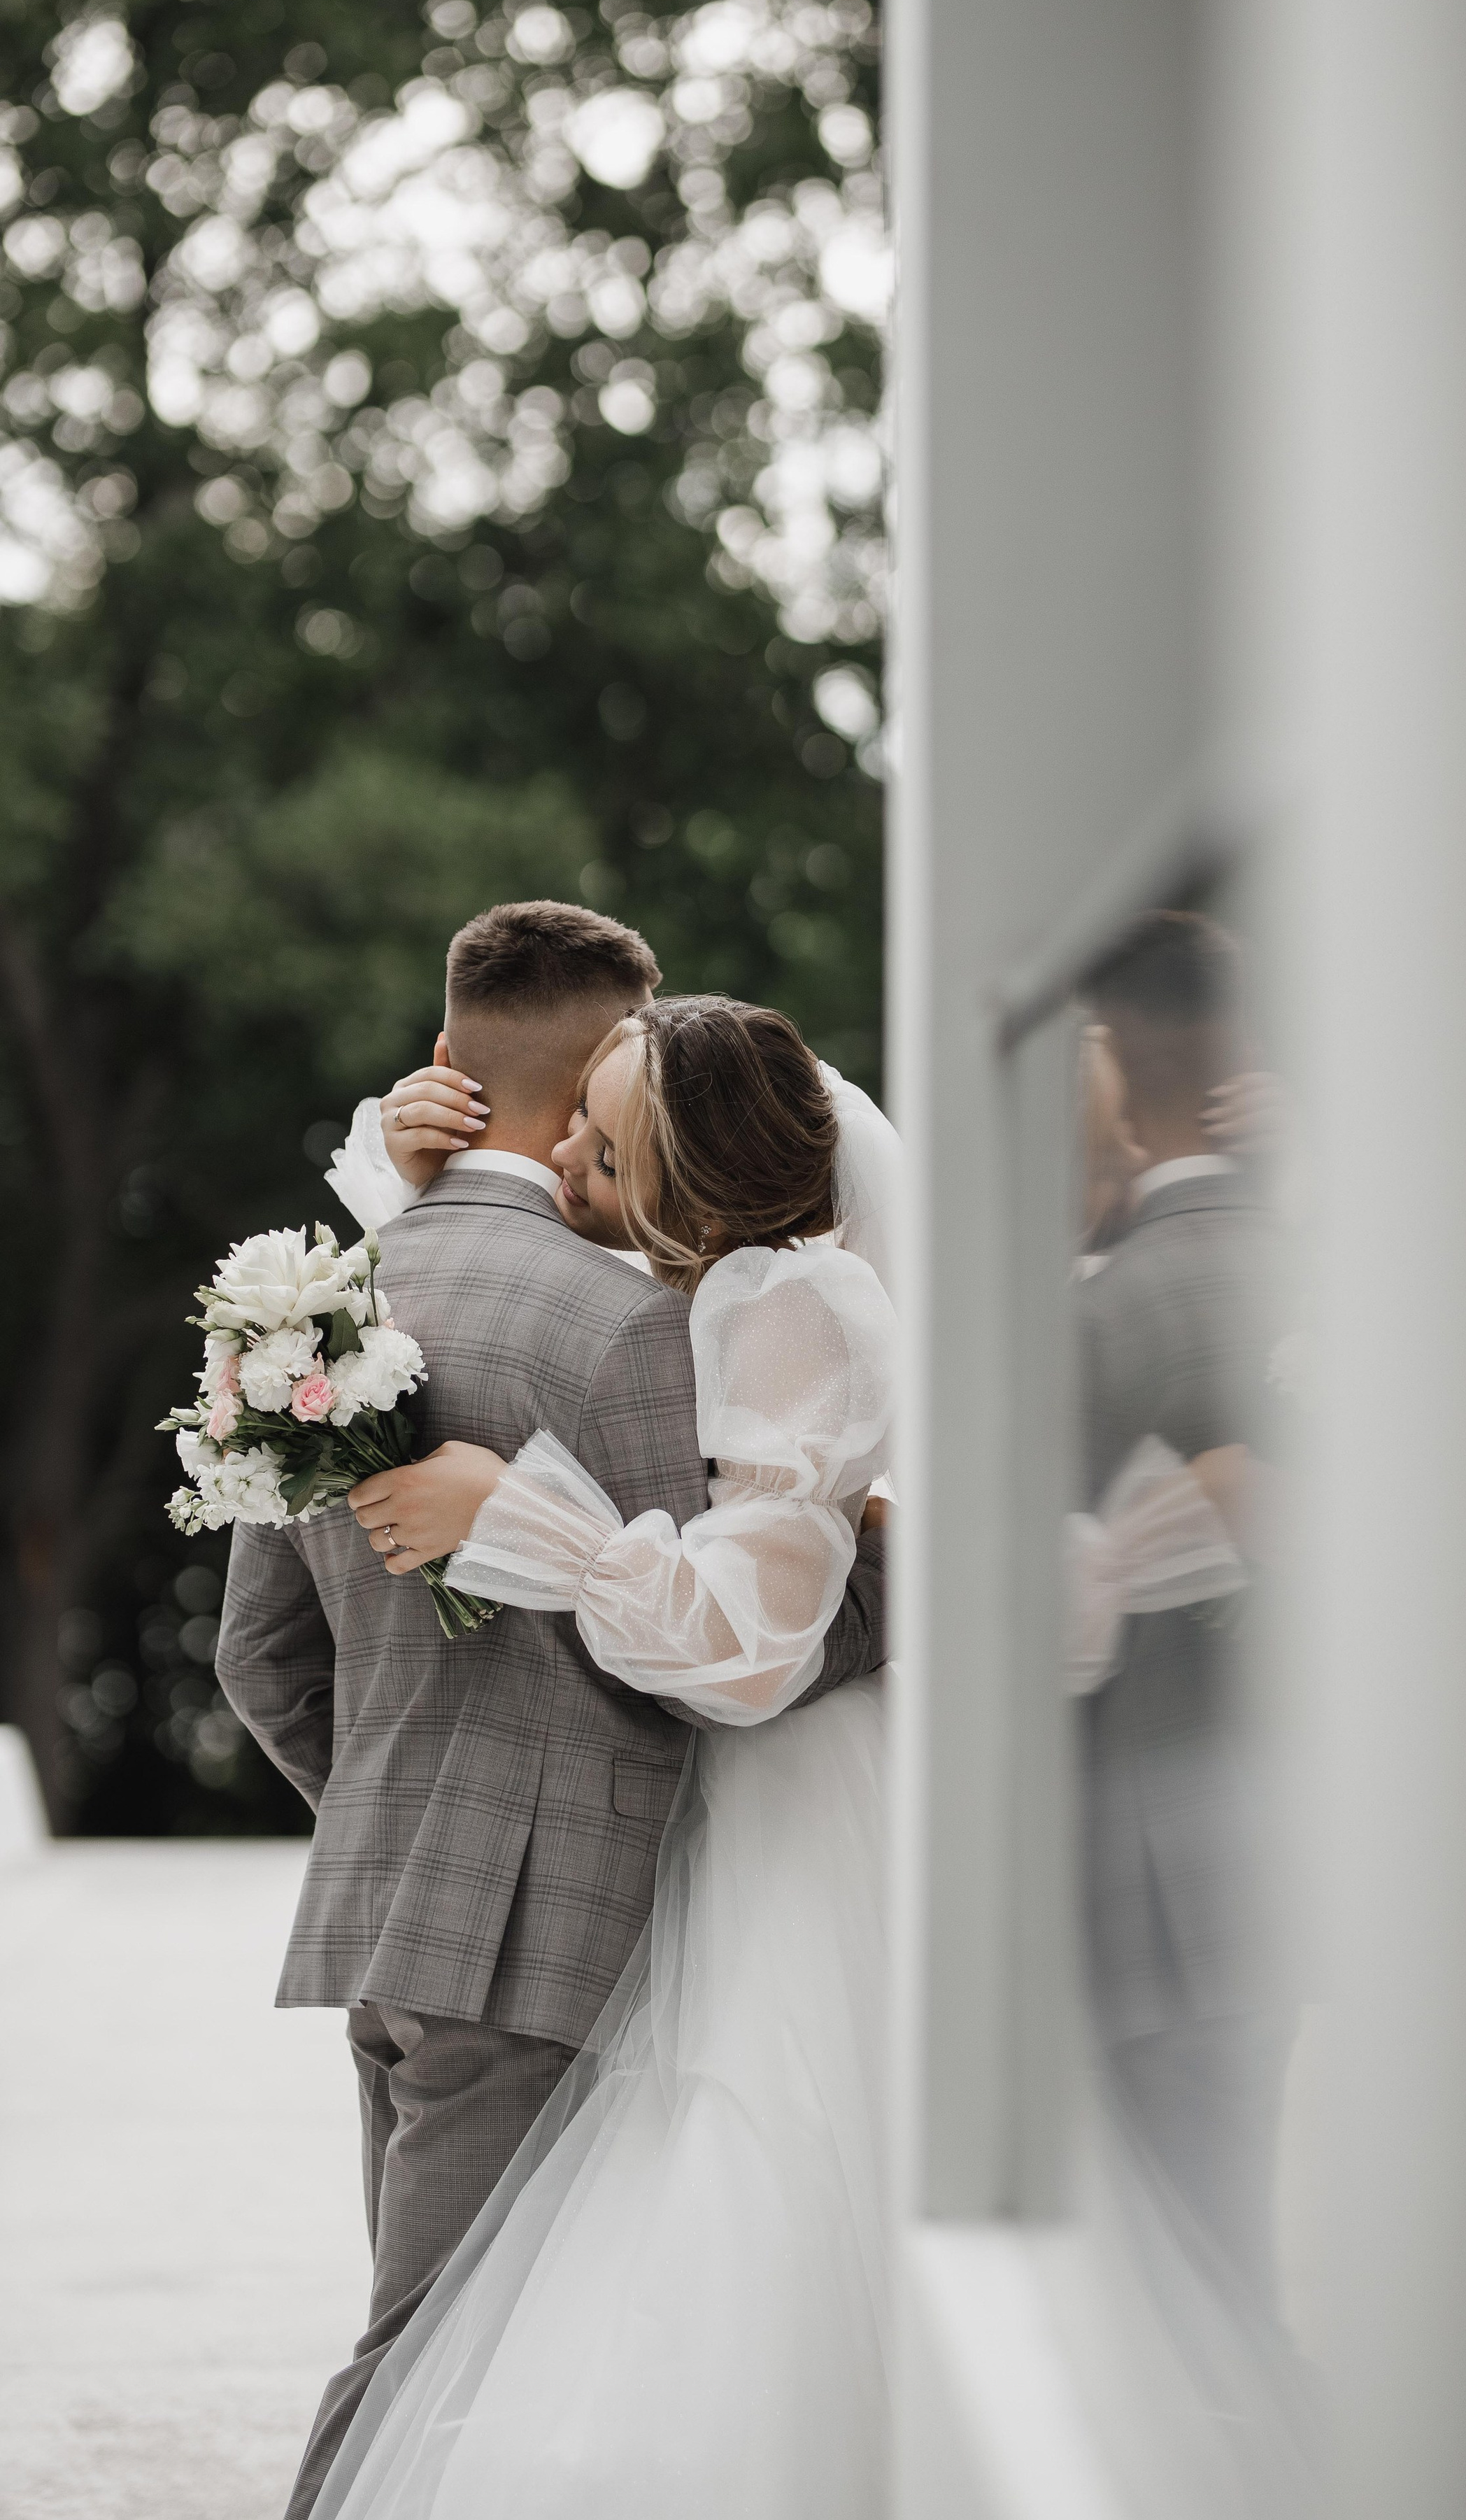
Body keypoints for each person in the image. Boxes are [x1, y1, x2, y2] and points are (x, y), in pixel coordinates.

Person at [215, 907, 889, 2520]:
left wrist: (400, 1796)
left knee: (459, 2344)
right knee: (436, 2347)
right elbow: (735, 1666)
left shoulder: (319, 1309)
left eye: (616, 1127)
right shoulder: (631, 1327)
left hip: (393, 1907)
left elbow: (261, 1658)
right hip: (533, 1932)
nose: (587, 1148)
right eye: (584, 1114)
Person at [1075, 909, 1297, 2325]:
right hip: (1286, 1841)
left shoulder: (1097, 1308)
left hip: (1131, 1857)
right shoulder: (1354, 1273)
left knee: (1184, 2282)